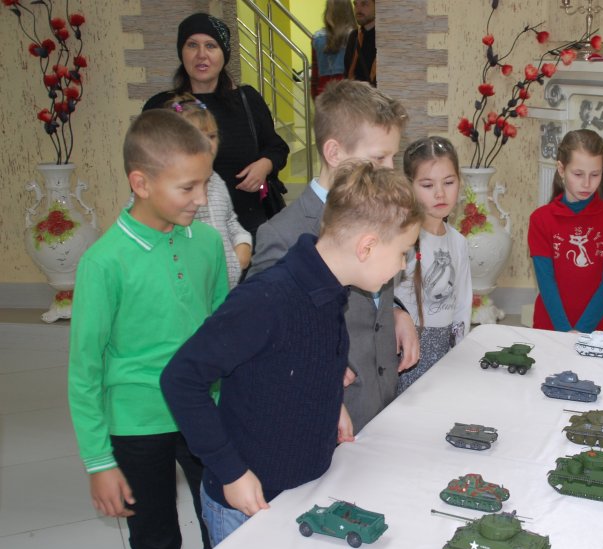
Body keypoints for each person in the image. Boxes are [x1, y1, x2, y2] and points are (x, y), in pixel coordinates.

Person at [161, 162, 423, 546]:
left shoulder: (331, 287)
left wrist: (330, 402)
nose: (403, 264)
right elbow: (181, 379)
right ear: (366, 247)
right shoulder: (266, 300)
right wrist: (231, 472)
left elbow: (300, 360)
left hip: (300, 491)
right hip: (247, 503)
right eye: (402, 252)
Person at [67, 110, 228, 549]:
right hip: (136, 424)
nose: (201, 199)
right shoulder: (103, 263)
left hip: (204, 412)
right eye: (188, 187)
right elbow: (84, 371)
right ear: (140, 183)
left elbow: (223, 335)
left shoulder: (208, 243)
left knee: (225, 530)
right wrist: (99, 462)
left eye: (205, 183)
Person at [249, 80, 416, 434]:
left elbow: (373, 292)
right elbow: (262, 333)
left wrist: (396, 310)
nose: (390, 168)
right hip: (328, 417)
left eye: (393, 157)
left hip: (383, 400)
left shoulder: (380, 213)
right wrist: (311, 363)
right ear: (334, 153)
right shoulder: (283, 235)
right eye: (379, 158)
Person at [143, 13, 289, 237]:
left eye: (211, 46)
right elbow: (144, 167)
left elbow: (277, 147)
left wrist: (265, 165)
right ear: (181, 52)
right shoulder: (162, 107)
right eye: (192, 45)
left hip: (249, 230)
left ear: (224, 54)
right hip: (184, 235)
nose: (201, 54)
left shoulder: (247, 100)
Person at [528, 129, 603, 336]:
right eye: (578, 174)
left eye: (595, 174)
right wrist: (565, 331)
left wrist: (582, 330)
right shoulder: (540, 219)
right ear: (561, 169)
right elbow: (546, 282)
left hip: (599, 329)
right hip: (552, 326)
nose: (587, 184)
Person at [395, 137, 472, 394]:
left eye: (448, 182)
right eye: (428, 185)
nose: (440, 193)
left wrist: (458, 352)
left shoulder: (458, 242)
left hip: (446, 353)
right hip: (406, 354)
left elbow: (462, 307)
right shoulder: (401, 240)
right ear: (410, 186)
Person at [168, 94, 252, 288]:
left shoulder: (216, 180)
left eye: (212, 136)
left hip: (226, 287)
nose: (207, 144)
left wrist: (243, 243)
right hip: (193, 288)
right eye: (197, 136)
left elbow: (229, 219)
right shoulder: (169, 190)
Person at [311, 0, 356, 98]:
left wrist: (314, 95)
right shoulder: (355, 36)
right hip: (349, 91)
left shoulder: (317, 37)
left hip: (323, 90)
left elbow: (315, 73)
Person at [344, 0, 376, 86]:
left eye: (364, 4)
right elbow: (347, 73)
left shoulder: (389, 38)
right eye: (355, 4)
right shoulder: (354, 36)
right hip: (356, 92)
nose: (358, 9)